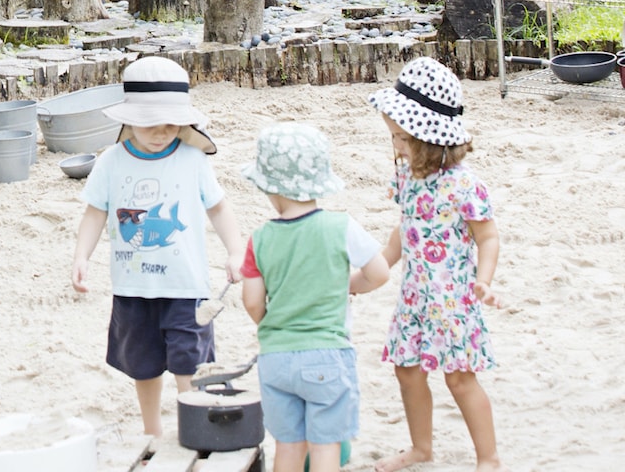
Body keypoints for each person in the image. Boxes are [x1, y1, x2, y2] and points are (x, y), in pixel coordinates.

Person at [71, 57, 245, 438]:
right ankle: (153, 434)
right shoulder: (111, 161)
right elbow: (95, 213)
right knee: (143, 365)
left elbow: (219, 207)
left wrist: (235, 251)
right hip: (133, 288)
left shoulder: (192, 158)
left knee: (189, 364)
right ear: (129, 118)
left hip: (187, 289)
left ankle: (192, 432)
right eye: (151, 122)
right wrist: (82, 256)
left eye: (172, 123)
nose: (162, 131)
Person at [366, 58, 507, 472]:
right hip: (414, 296)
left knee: (460, 379)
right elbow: (403, 229)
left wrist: (484, 280)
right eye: (393, 136)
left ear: (428, 138)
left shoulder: (463, 183)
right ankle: (421, 449)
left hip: (453, 300)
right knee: (406, 372)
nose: (396, 146)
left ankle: (489, 458)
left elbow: (488, 236)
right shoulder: (408, 175)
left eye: (401, 138)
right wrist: (379, 265)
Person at [240, 123, 390, 472]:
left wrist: (274, 322)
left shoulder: (259, 238)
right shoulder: (340, 227)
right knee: (325, 450)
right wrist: (347, 285)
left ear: (269, 188)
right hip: (327, 355)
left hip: (276, 357)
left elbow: (251, 301)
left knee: (288, 448)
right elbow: (379, 272)